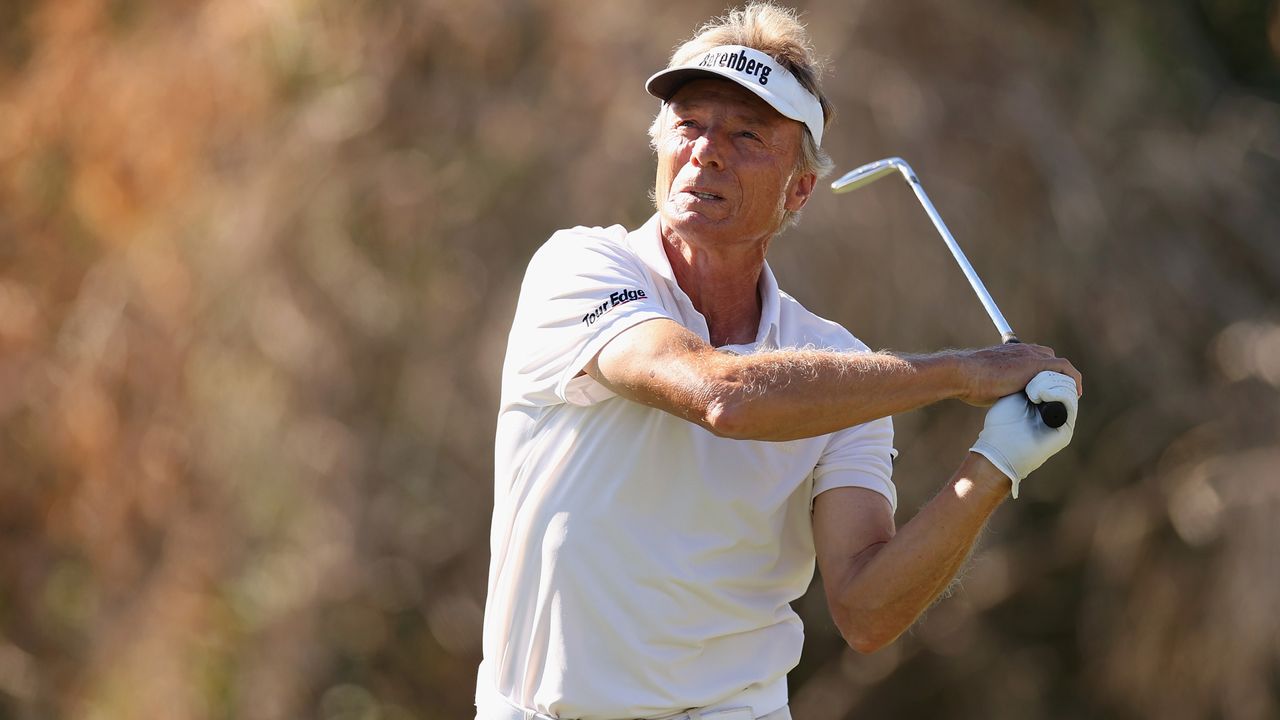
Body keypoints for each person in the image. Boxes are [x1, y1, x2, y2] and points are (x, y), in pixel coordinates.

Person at [475, 4, 1083, 719]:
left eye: (746, 134)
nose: (706, 150)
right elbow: (720, 396)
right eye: (690, 122)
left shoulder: (844, 371)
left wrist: (995, 465)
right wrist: (959, 373)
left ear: (798, 190)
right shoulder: (581, 267)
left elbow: (866, 610)